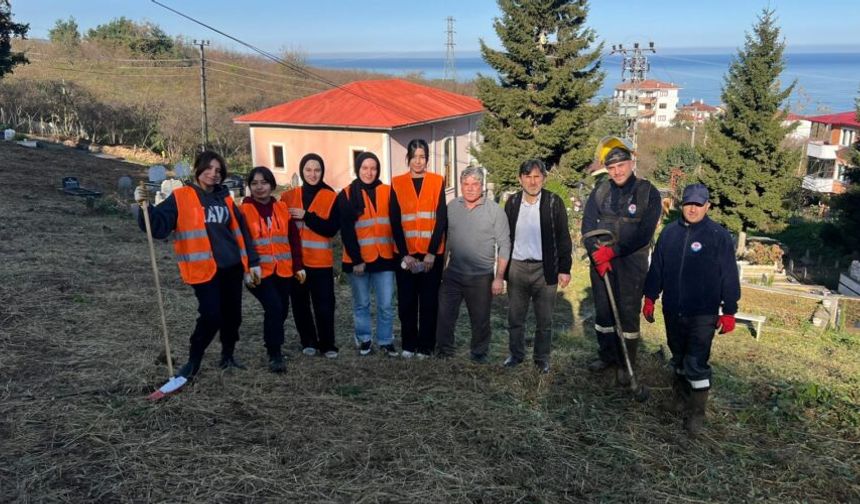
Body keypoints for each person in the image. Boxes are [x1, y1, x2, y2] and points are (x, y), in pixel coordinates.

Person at [134, 150, 260, 378]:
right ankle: (194, 360)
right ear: (199, 168)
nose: (214, 174)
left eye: (219, 171)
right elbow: (159, 225)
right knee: (212, 315)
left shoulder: (226, 199)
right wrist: (145, 208)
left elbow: (242, 231)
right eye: (210, 168)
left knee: (233, 316)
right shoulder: (182, 196)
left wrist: (252, 262)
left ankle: (228, 355)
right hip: (203, 269)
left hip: (231, 267)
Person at [643, 183, 740, 436]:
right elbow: (658, 269)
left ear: (707, 206)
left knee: (696, 362)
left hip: (703, 313)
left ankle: (696, 414)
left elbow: (729, 275)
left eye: (698, 204)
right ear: (681, 204)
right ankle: (679, 400)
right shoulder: (669, 234)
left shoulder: (718, 236)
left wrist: (729, 310)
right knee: (678, 357)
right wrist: (650, 297)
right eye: (689, 204)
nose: (693, 209)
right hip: (673, 309)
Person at [581, 137, 661, 385]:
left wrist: (613, 252)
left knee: (627, 314)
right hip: (601, 263)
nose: (617, 171)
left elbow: (644, 234)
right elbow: (587, 226)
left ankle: (627, 364)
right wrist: (597, 254)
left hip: (631, 264)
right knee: (603, 314)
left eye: (621, 165)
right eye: (612, 168)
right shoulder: (601, 191)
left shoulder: (649, 193)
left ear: (631, 162)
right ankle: (607, 356)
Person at [503, 159, 572, 374]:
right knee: (515, 317)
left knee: (544, 320)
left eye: (537, 176)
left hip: (546, 269)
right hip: (517, 267)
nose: (532, 181)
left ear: (544, 178)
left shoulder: (554, 203)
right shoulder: (512, 203)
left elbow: (564, 238)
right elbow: (505, 238)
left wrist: (565, 268)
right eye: (528, 176)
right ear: (520, 179)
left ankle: (541, 359)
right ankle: (516, 355)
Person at [436, 167, 510, 363]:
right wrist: (441, 271)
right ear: (460, 186)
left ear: (482, 186)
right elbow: (446, 240)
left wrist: (499, 277)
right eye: (465, 184)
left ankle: (479, 354)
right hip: (453, 274)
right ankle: (444, 352)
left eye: (474, 184)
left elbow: (504, 245)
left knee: (480, 320)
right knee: (444, 316)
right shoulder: (452, 207)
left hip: (481, 277)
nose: (469, 189)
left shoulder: (495, 211)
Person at [240, 166, 306, 373]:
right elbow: (241, 242)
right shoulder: (243, 211)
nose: (259, 188)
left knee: (281, 309)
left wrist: (298, 266)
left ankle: (273, 342)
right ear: (249, 187)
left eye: (264, 182)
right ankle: (274, 353)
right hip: (258, 272)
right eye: (254, 183)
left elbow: (293, 240)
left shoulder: (281, 208)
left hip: (283, 269)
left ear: (271, 185)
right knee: (274, 307)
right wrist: (247, 268)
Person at [336, 152, 398, 357]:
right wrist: (357, 260)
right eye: (365, 168)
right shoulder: (346, 194)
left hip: (385, 258)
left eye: (373, 168)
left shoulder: (388, 192)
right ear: (358, 169)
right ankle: (364, 339)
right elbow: (346, 230)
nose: (369, 172)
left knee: (386, 304)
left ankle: (386, 340)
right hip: (358, 261)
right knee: (362, 303)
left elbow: (396, 226)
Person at [390, 139, 447, 359]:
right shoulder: (397, 183)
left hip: (431, 255)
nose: (418, 161)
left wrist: (432, 252)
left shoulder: (436, 181)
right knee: (406, 302)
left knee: (429, 302)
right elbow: (395, 220)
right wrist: (404, 253)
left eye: (422, 157)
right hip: (405, 255)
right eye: (414, 156)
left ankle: (425, 346)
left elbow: (441, 218)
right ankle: (408, 344)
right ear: (408, 159)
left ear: (427, 159)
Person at [282, 154, 341, 358]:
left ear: (322, 171)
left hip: (320, 263)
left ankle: (327, 344)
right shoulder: (288, 197)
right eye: (308, 170)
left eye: (317, 170)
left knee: (324, 305)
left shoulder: (330, 195)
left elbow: (331, 229)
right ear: (301, 171)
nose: (313, 174)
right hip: (296, 263)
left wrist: (307, 216)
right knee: (300, 304)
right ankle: (308, 341)